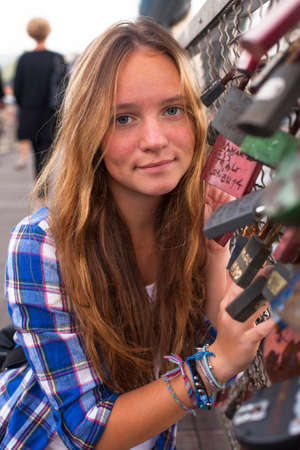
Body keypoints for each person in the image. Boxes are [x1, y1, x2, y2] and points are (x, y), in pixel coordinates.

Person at [0, 18, 274, 449]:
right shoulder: (42, 245)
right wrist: (213, 366)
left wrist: (213, 249)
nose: (155, 139)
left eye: (172, 109)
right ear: (89, 132)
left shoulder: (193, 221)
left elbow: (223, 371)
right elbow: (87, 429)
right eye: (123, 118)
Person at [13, 17, 67, 174]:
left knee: (36, 154)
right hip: (50, 114)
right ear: (47, 32)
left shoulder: (24, 59)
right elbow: (64, 87)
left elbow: (17, 90)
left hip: (30, 113)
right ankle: (42, 193)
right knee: (46, 153)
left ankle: (39, 194)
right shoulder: (56, 58)